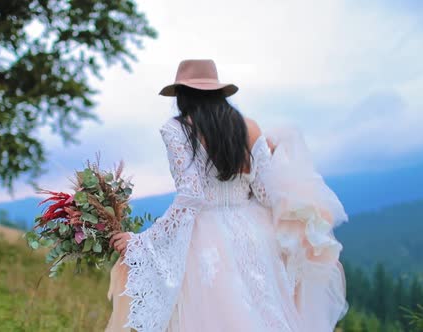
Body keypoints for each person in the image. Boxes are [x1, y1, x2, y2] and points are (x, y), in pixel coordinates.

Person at [106, 59, 348, 332]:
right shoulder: (249, 127)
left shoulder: (177, 129)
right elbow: (267, 194)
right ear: (219, 91)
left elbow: (191, 195)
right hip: (257, 235)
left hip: (205, 239)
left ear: (182, 94)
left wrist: (144, 242)